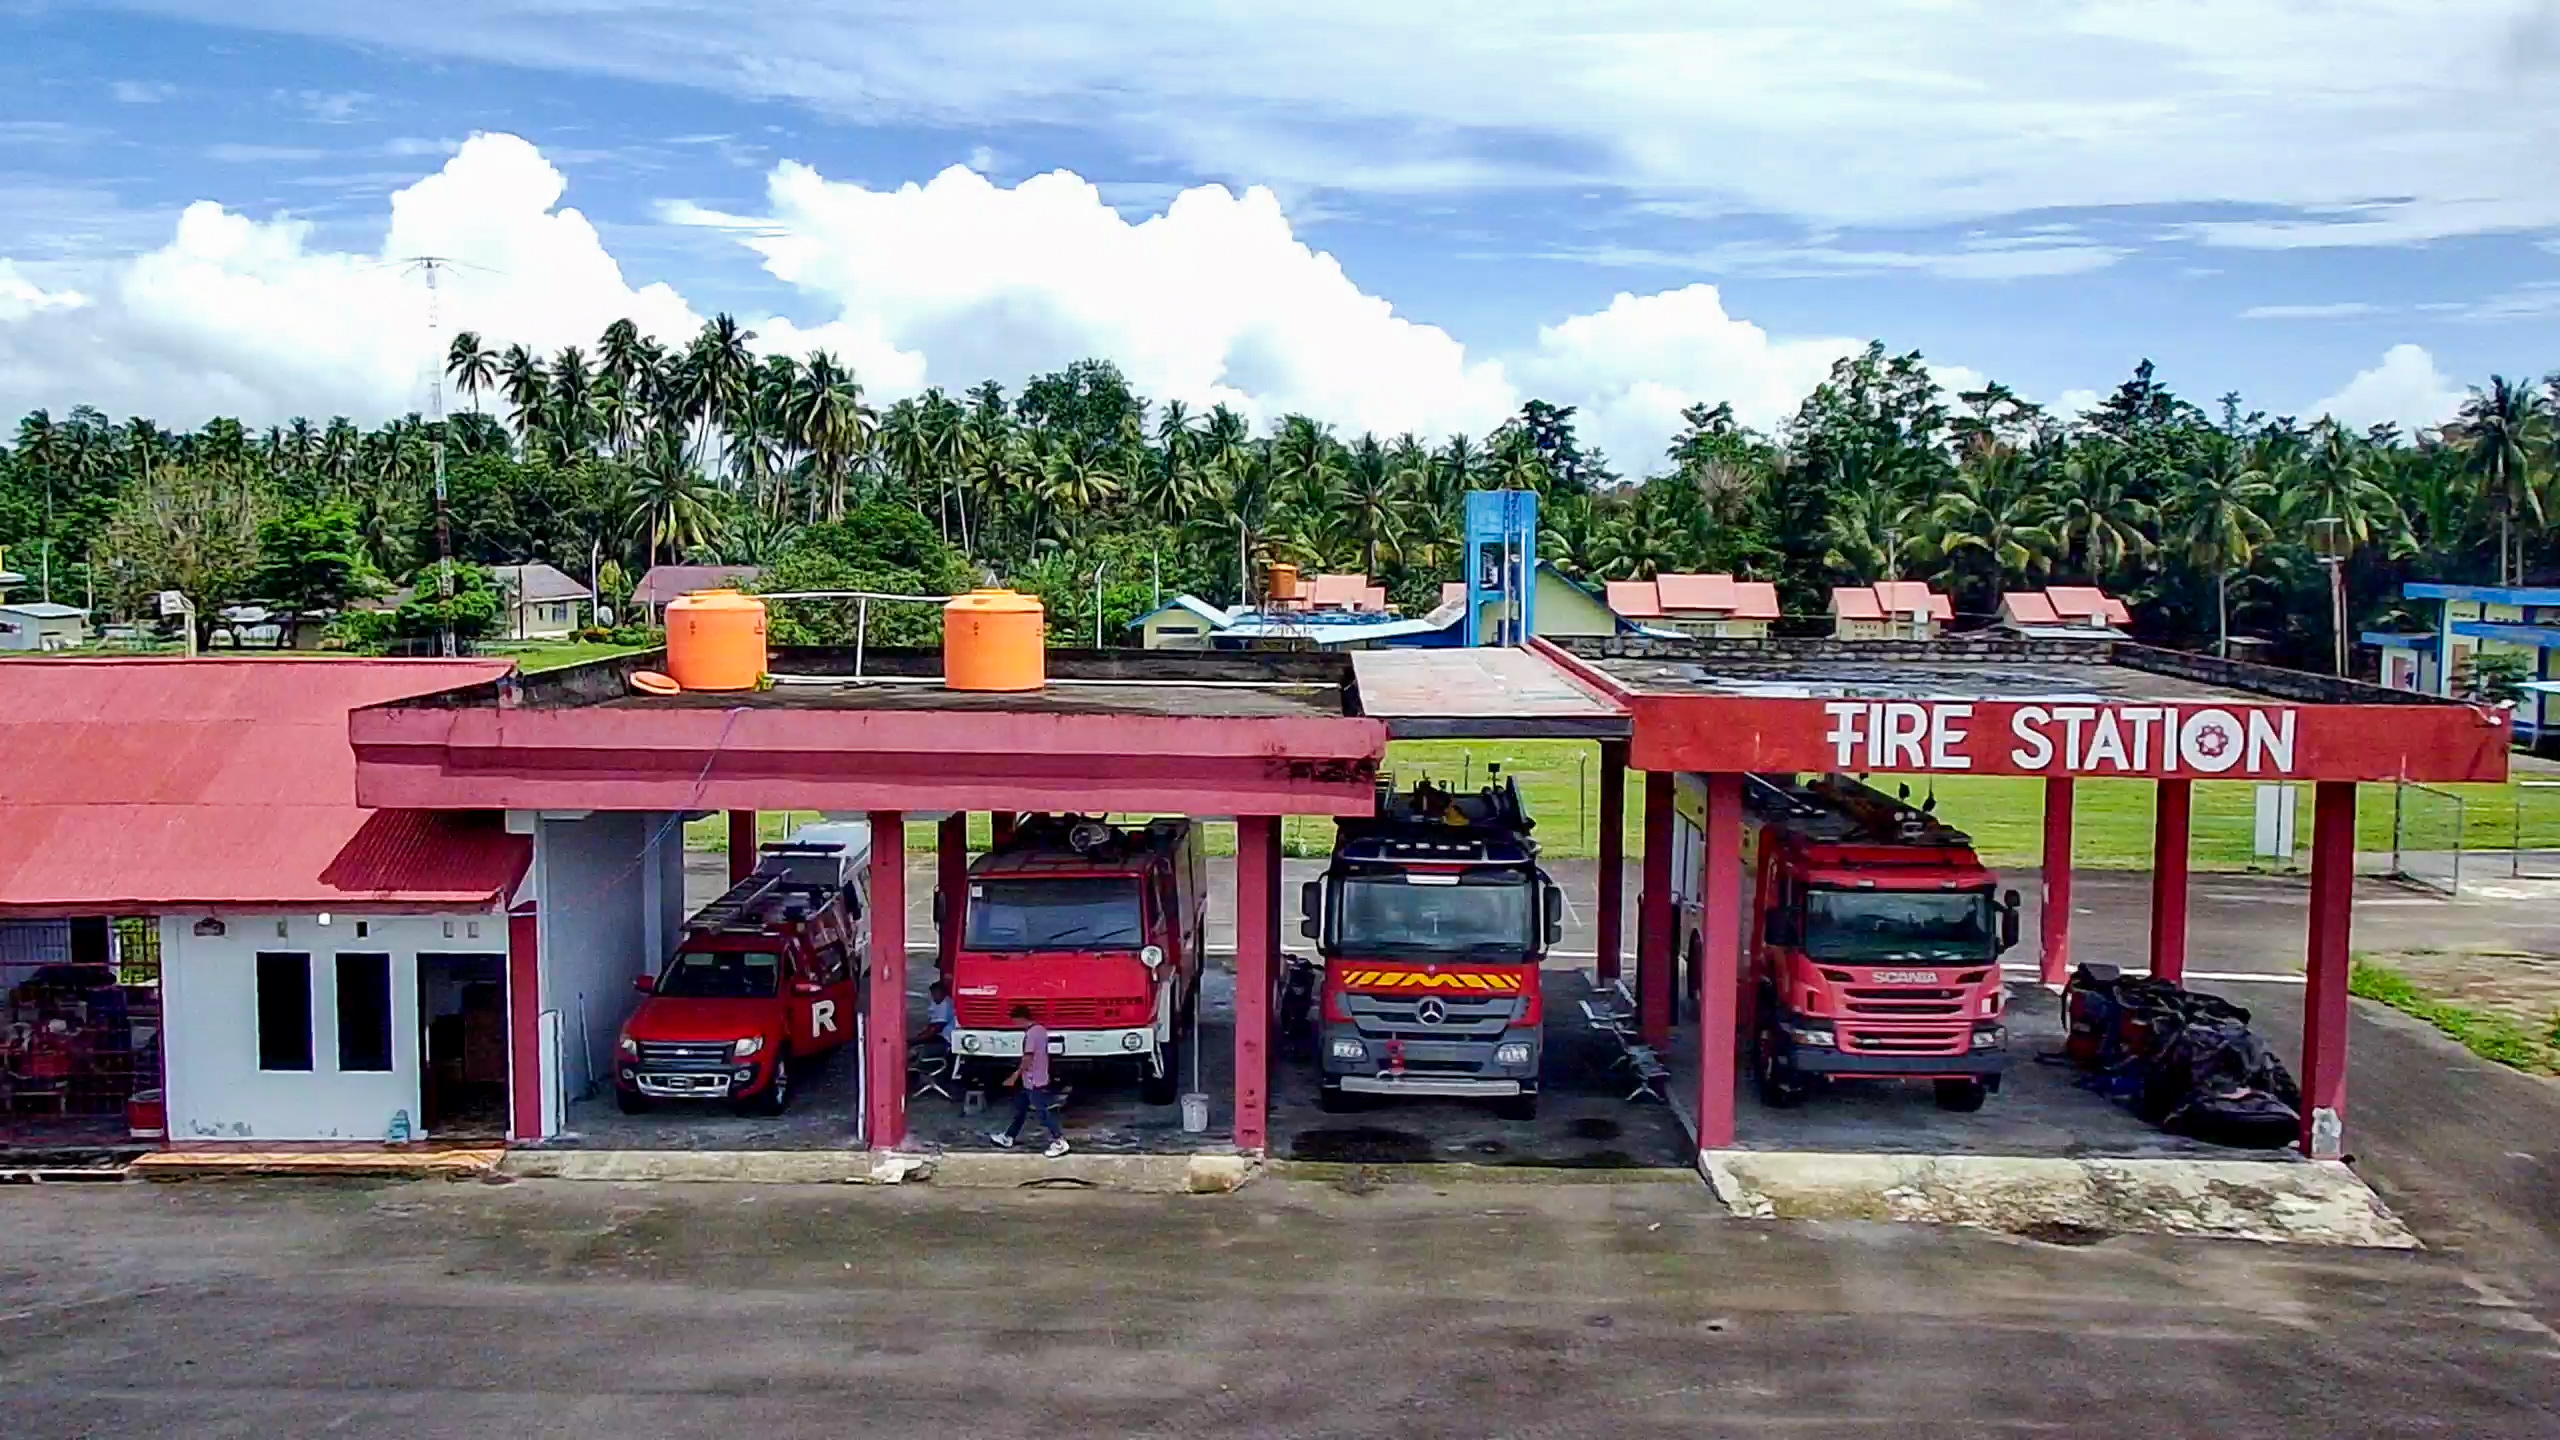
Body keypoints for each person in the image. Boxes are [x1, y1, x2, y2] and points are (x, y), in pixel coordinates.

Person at [988, 1002, 1068, 1157]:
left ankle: (1059, 1141)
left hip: (1033, 1080)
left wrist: (1014, 1076)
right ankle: (1009, 1136)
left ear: (1020, 1018)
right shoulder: (1041, 1030)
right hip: (1038, 1077)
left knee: (1042, 1111)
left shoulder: (1031, 1034)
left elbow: (1028, 1058)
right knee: (1021, 1108)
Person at [914, 981, 954, 1048]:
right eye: (933, 994)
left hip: (946, 1037)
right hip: (937, 1032)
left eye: (936, 993)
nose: (934, 996)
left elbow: (938, 1027)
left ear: (943, 993)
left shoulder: (946, 1004)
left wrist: (918, 1039)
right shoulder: (935, 1002)